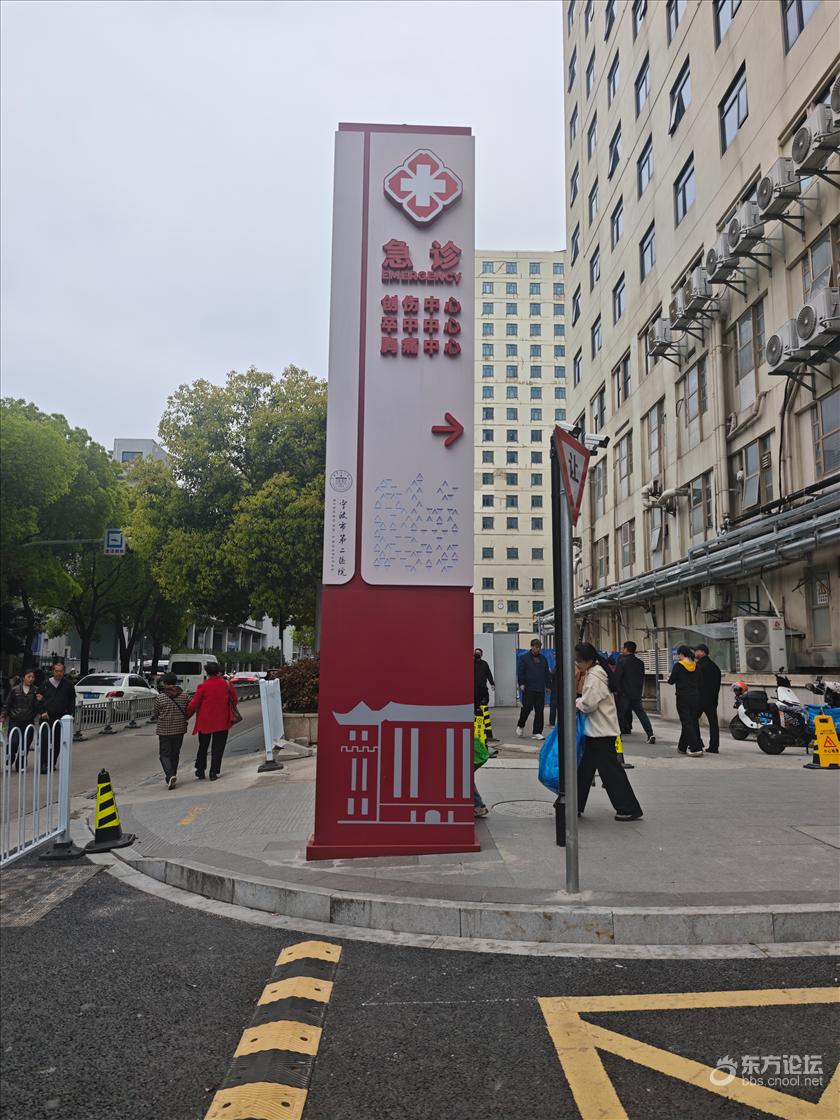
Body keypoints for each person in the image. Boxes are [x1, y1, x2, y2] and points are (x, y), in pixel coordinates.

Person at [575, 643, 643, 822]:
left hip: (600, 732)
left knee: (611, 773)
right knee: (584, 771)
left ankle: (629, 808)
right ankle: (574, 804)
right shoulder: (597, 671)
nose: (577, 664)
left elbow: (589, 704)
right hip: (599, 731)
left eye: (579, 660)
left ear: (588, 661)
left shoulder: (595, 676)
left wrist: (577, 703)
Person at [187, 662, 238, 780]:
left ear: (207, 672)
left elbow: (194, 704)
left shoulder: (202, 686)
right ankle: (213, 772)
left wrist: (186, 715)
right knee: (218, 747)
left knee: (203, 746)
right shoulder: (227, 684)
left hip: (205, 721)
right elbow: (234, 700)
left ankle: (200, 770)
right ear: (218, 672)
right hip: (222, 720)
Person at [1, 669, 44, 770]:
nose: (31, 679)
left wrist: (40, 700)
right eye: (29, 677)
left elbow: (38, 706)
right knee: (13, 741)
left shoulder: (36, 690)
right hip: (15, 720)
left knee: (25, 743)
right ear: (23, 677)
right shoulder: (15, 690)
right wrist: (3, 715)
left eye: (33, 677)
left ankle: (21, 762)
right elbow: (7, 704)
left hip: (28, 721)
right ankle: (10, 758)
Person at [614, 641, 656, 744]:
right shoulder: (640, 663)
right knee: (641, 714)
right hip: (636, 693)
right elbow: (642, 676)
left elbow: (617, 677)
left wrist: (615, 690)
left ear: (626, 649)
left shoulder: (622, 662)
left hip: (624, 694)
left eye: (623, 648)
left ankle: (618, 736)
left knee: (620, 715)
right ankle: (650, 734)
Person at [39, 660, 76, 772]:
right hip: (46, 717)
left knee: (57, 742)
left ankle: (52, 762)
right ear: (53, 671)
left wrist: (68, 714)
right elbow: (38, 699)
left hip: (61, 718)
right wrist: (42, 711)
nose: (58, 673)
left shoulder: (68, 685)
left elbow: (72, 701)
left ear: (64, 672)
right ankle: (43, 764)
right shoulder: (45, 684)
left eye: (61, 671)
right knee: (45, 740)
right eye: (56, 671)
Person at [154, 671, 190, 789]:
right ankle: (172, 775)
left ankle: (170, 775)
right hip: (180, 729)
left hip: (164, 730)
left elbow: (155, 713)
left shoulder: (160, 697)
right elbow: (190, 707)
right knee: (175, 754)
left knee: (164, 755)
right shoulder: (184, 696)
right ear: (175, 682)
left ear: (164, 683)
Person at [668, 646, 704, 756]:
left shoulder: (678, 666)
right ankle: (682, 747)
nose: (678, 657)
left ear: (681, 654)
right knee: (691, 721)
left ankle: (695, 748)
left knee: (686, 722)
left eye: (679, 655)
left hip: (683, 697)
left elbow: (671, 681)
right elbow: (700, 681)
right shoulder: (696, 665)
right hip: (695, 697)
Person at [516, 639, 552, 740]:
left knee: (539, 710)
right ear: (531, 647)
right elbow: (520, 672)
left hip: (540, 688)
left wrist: (548, 686)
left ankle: (537, 732)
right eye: (536, 647)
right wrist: (521, 683)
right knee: (527, 708)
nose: (538, 649)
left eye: (539, 647)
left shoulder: (543, 659)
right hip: (528, 688)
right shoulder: (524, 658)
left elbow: (546, 673)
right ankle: (521, 725)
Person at [694, 644, 722, 754]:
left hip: (700, 699)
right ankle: (714, 746)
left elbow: (696, 683)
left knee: (692, 720)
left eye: (696, 651)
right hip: (712, 699)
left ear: (702, 652)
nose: (695, 653)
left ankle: (697, 743)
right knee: (713, 723)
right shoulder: (715, 667)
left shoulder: (698, 666)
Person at [473, 648, 499, 747]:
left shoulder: (484, 664)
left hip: (483, 689)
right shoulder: (470, 663)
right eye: (476, 653)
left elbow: (488, 674)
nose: (477, 655)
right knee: (476, 710)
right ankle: (477, 728)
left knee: (483, 708)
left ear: (482, 654)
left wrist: (492, 683)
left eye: (479, 653)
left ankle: (485, 731)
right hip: (473, 690)